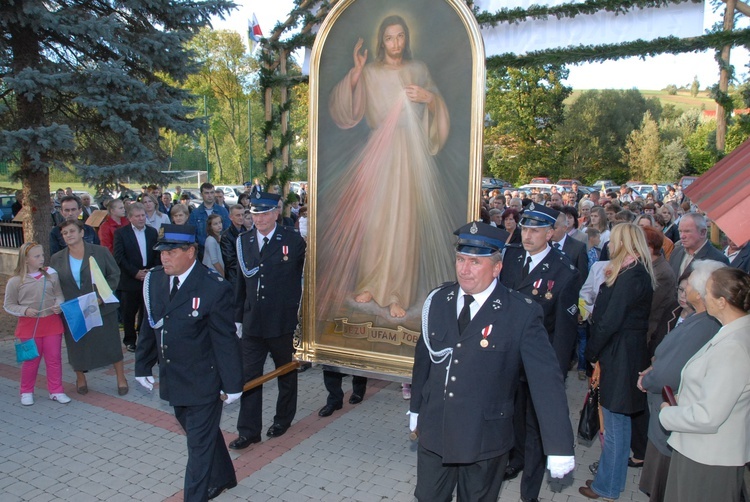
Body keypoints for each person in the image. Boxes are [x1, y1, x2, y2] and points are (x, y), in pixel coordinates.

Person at [410, 221, 575, 501]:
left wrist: (559, 445)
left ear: (497, 267)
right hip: (436, 429)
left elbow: (546, 381)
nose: (464, 269)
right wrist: (416, 409)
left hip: (484, 438)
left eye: (475, 262)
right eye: (461, 259)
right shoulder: (438, 300)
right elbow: (424, 358)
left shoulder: (520, 313)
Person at [319, 14, 453, 320]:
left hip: (409, 153)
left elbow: (437, 108)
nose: (395, 43)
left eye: (400, 36)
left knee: (403, 223)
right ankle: (371, 283)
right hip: (378, 151)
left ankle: (397, 293)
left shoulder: (418, 70)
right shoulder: (369, 72)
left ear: (407, 38)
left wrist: (429, 98)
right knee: (375, 220)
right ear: (382, 40)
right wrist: (355, 71)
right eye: (389, 37)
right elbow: (346, 111)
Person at [135, 224, 243, 501]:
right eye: (162, 252)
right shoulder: (156, 279)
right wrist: (142, 365)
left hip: (203, 382)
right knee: (203, 436)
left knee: (197, 447)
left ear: (191, 251)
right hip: (173, 378)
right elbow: (150, 325)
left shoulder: (214, 287)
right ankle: (226, 476)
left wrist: (233, 384)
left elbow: (225, 340)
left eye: (171, 252)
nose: (164, 258)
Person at [499, 203, 580, 502]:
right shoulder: (509, 258)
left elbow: (564, 331)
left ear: (551, 232)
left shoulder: (564, 271)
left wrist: (554, 375)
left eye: (535, 230)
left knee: (535, 426)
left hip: (537, 362)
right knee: (508, 416)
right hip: (506, 356)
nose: (527, 235)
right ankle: (512, 460)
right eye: (524, 229)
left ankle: (529, 491)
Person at [658, 267, 750, 502]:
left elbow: (708, 416)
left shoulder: (734, 348)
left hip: (708, 457)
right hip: (703, 451)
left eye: (707, 292)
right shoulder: (733, 334)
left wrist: (668, 414)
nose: (701, 295)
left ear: (722, 301)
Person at [580, 223, 656, 501]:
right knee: (617, 424)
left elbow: (610, 320)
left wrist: (592, 353)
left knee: (614, 426)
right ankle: (608, 480)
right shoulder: (632, 271)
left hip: (620, 355)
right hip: (623, 353)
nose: (609, 245)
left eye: (613, 240)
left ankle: (607, 486)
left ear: (624, 242)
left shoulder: (631, 276)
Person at [637, 260, 723, 502]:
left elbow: (670, 372)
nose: (686, 289)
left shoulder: (705, 324)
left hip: (672, 422)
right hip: (667, 420)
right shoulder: (699, 318)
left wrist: (649, 378)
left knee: (664, 488)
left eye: (692, 285)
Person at [230, 192, 306, 449]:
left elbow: (305, 280)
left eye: (264, 213)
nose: (259, 219)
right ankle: (248, 431)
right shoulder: (244, 241)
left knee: (286, 373)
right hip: (253, 322)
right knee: (249, 377)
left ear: (276, 213)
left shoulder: (293, 240)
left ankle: (283, 419)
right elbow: (241, 283)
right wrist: (238, 317)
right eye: (255, 213)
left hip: (283, 322)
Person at [50, 220, 128, 395]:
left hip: (100, 306)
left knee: (110, 343)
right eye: (64, 233)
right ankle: (80, 378)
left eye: (72, 231)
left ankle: (121, 378)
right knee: (77, 345)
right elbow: (54, 285)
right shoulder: (57, 258)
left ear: (82, 233)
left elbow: (114, 274)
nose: (68, 235)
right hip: (74, 309)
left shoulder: (99, 252)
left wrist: (102, 297)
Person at [4, 242, 69, 405]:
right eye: (37, 256)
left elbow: (59, 295)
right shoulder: (15, 281)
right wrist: (25, 310)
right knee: (30, 359)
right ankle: (26, 391)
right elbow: (9, 305)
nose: (42, 259)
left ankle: (56, 390)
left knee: (54, 359)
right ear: (26, 260)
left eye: (42, 255)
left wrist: (59, 305)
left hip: (52, 324)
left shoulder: (51, 275)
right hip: (29, 327)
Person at [113, 202, 159, 352]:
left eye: (143, 215)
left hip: (149, 277)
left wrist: (150, 272)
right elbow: (119, 257)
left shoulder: (152, 232)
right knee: (129, 311)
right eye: (137, 216)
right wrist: (135, 273)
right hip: (129, 279)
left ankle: (144, 337)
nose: (141, 219)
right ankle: (129, 340)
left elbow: (157, 254)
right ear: (130, 218)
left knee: (146, 311)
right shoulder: (121, 233)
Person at [668, 212, 729, 278]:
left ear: (703, 232)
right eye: (680, 231)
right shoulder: (676, 252)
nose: (682, 236)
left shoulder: (718, 259)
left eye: (687, 231)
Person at [188, 183, 230, 248]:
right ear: (201, 195)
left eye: (212, 192)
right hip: (201, 251)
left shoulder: (223, 211)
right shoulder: (195, 213)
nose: (210, 195)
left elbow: (227, 231)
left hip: (220, 249)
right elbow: (192, 235)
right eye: (206, 193)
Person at [220, 204, 248, 287]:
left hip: (246, 275)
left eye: (242, 215)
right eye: (238, 215)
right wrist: (247, 266)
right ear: (231, 217)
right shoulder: (226, 236)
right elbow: (230, 260)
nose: (241, 217)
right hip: (234, 277)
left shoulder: (246, 232)